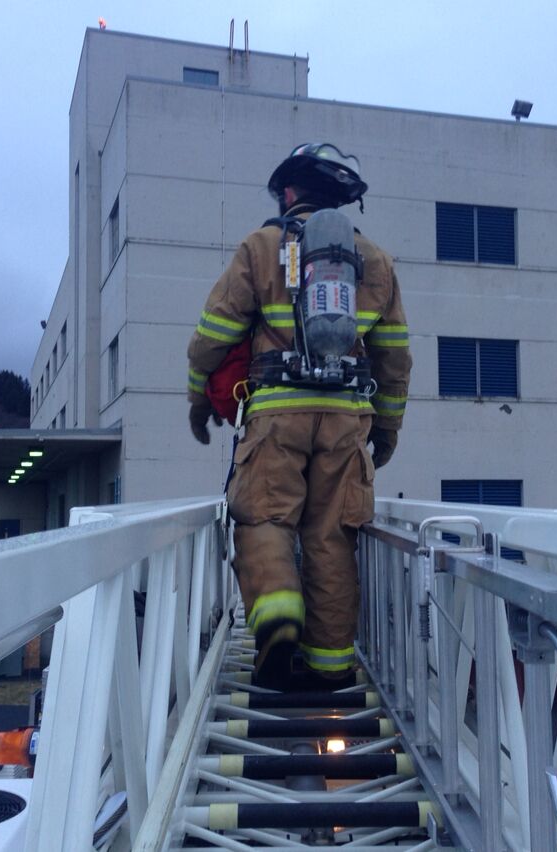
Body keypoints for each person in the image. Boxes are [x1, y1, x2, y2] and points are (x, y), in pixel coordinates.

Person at [186, 142, 411, 688]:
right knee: (332, 536)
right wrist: (386, 427)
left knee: (265, 518)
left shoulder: (262, 247)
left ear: (289, 193)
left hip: (276, 413)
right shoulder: (375, 262)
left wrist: (199, 396)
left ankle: (279, 619)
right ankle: (330, 668)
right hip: (347, 417)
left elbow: (213, 335)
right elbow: (395, 356)